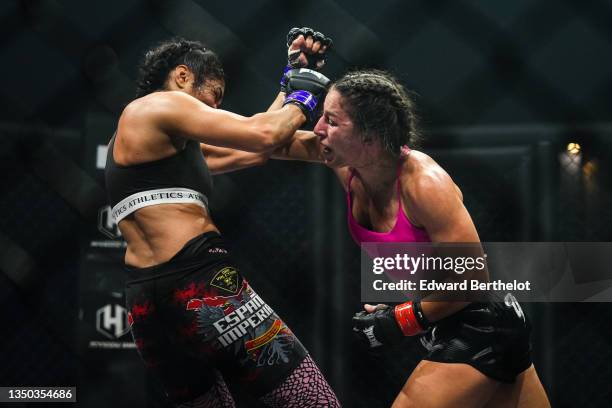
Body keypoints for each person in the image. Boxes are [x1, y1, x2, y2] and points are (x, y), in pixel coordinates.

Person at [267, 69, 551, 407]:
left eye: (331, 120)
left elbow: (473, 279)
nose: (317, 129)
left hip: (481, 325)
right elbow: (267, 139)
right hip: (449, 324)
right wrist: (291, 87)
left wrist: (400, 319)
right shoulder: (347, 162)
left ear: (369, 136)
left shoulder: (425, 184)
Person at [104, 30, 340, 407]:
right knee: (313, 400)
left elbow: (259, 146)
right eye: (211, 100)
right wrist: (307, 91)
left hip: (146, 306)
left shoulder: (147, 141)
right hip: (201, 281)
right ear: (182, 77)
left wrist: (292, 74)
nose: (211, 115)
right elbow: (263, 134)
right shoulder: (162, 105)